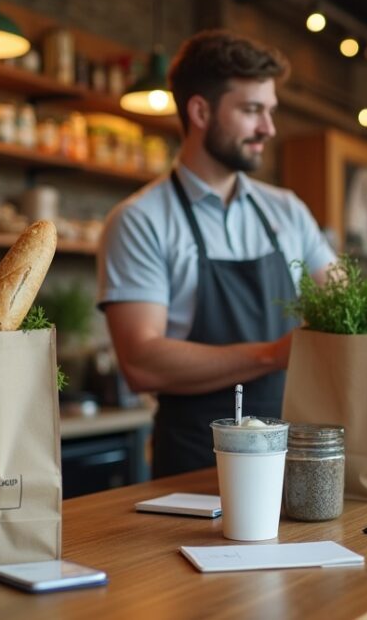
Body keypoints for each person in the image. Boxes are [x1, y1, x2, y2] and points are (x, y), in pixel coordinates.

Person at [97, 30, 336, 479]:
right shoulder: (139, 220)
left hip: (293, 457)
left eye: (270, 111)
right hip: (193, 465)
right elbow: (141, 361)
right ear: (201, 111)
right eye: (251, 111)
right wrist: (272, 353)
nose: (269, 128)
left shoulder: (287, 210)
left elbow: (343, 302)